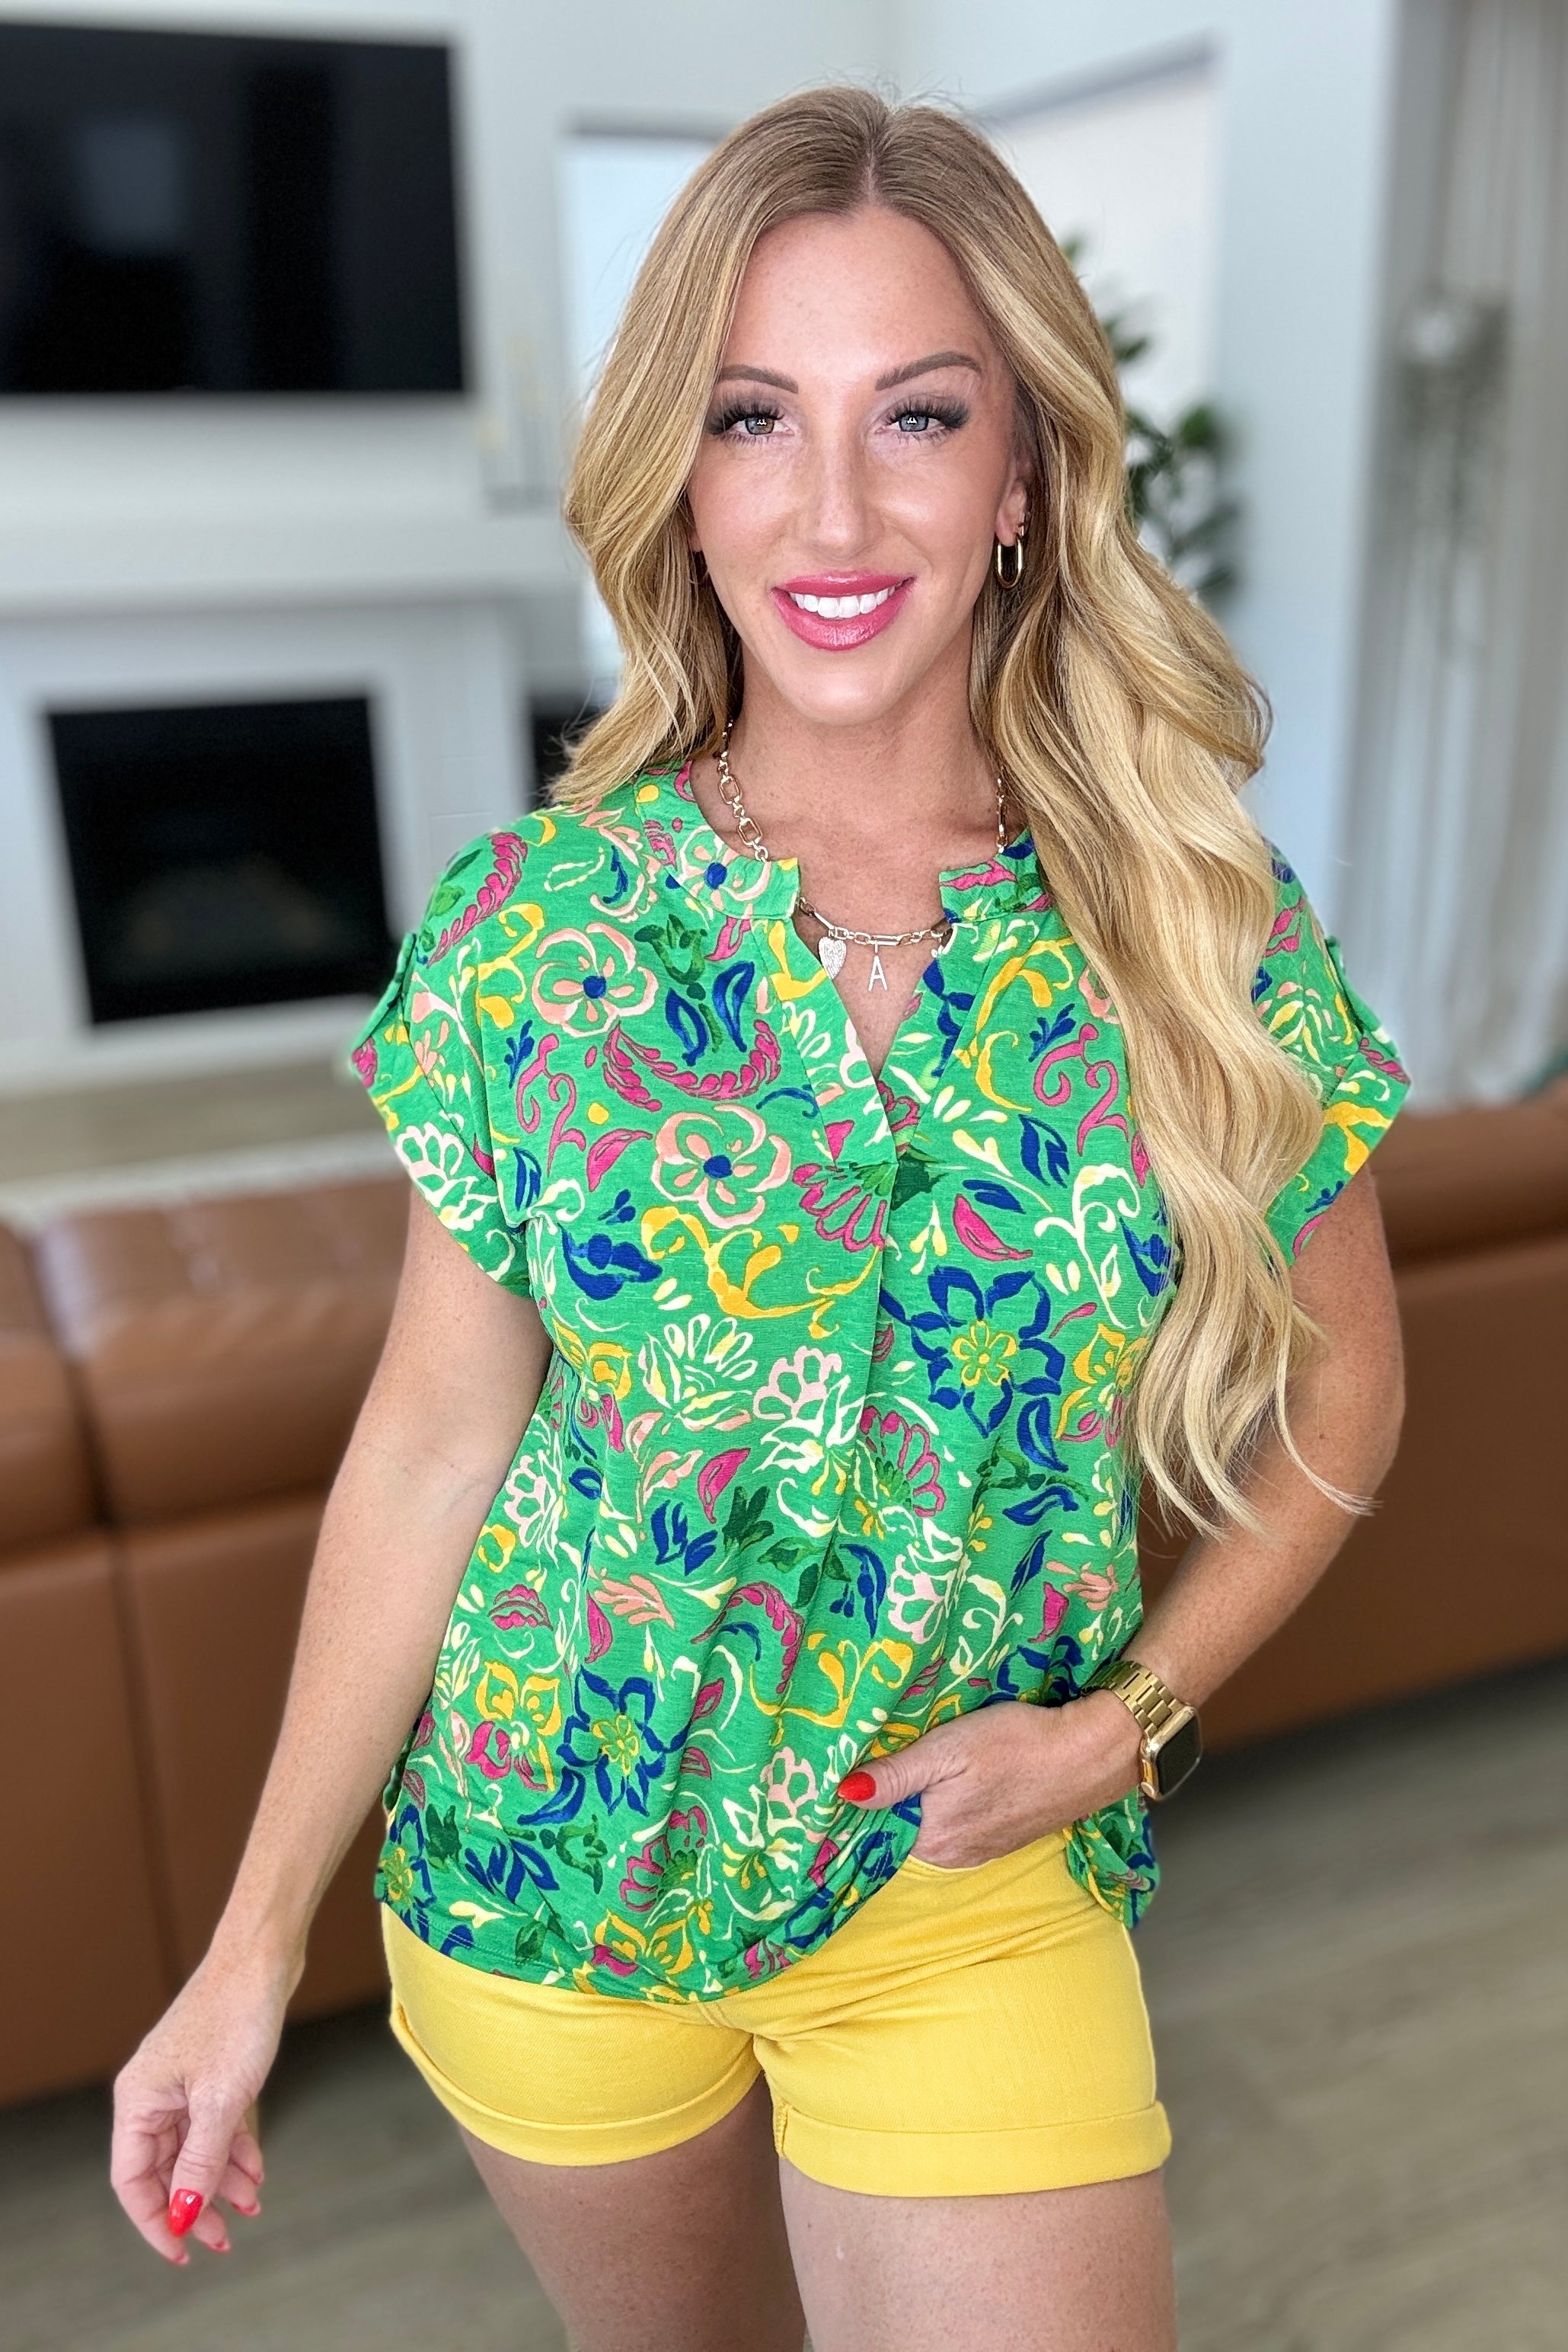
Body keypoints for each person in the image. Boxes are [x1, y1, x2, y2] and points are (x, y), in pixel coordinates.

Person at [110, 87, 1409, 2352]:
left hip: (961, 1879)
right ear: (682, 481)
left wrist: (1130, 1721)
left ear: (1023, 476)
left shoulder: (1196, 924)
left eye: (916, 416)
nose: (831, 508)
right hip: (544, 1888)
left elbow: (1351, 1386)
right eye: (750, 418)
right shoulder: (535, 927)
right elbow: (430, 1446)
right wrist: (246, 1948)